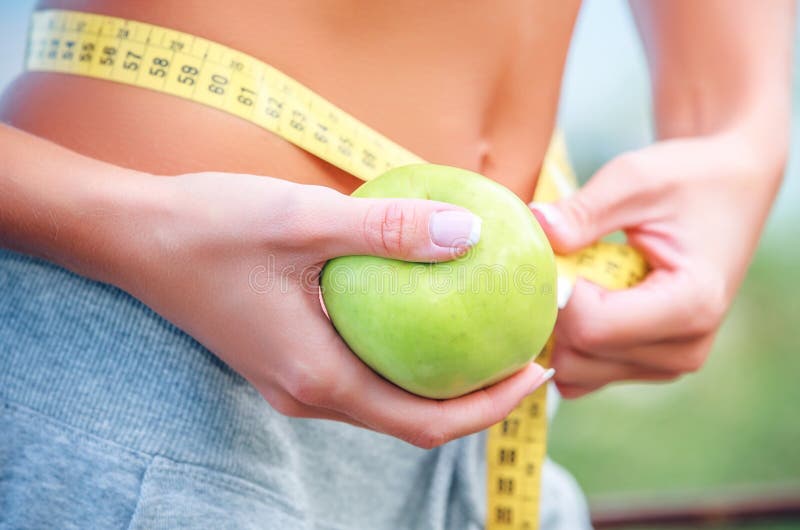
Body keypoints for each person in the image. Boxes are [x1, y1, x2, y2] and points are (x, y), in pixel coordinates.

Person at [0, 1, 793, 528]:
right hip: (148, 357)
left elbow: (733, 96)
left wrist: (740, 137)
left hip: (489, 441)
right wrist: (139, 230)